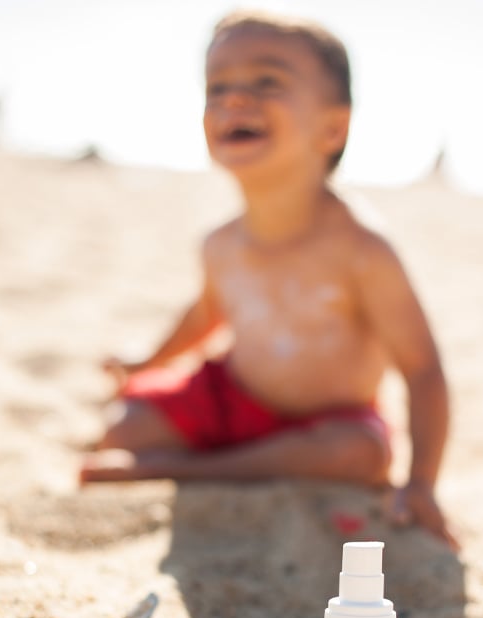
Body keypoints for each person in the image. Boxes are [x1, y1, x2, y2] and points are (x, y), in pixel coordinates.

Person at [80, 11, 456, 549]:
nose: (235, 99)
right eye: (218, 87)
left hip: (326, 423)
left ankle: (196, 469)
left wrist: (422, 484)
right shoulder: (221, 242)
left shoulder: (362, 250)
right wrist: (148, 361)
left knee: (364, 454)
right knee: (122, 429)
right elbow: (205, 316)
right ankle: (202, 458)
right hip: (231, 396)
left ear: (332, 127)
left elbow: (422, 370)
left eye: (267, 82)